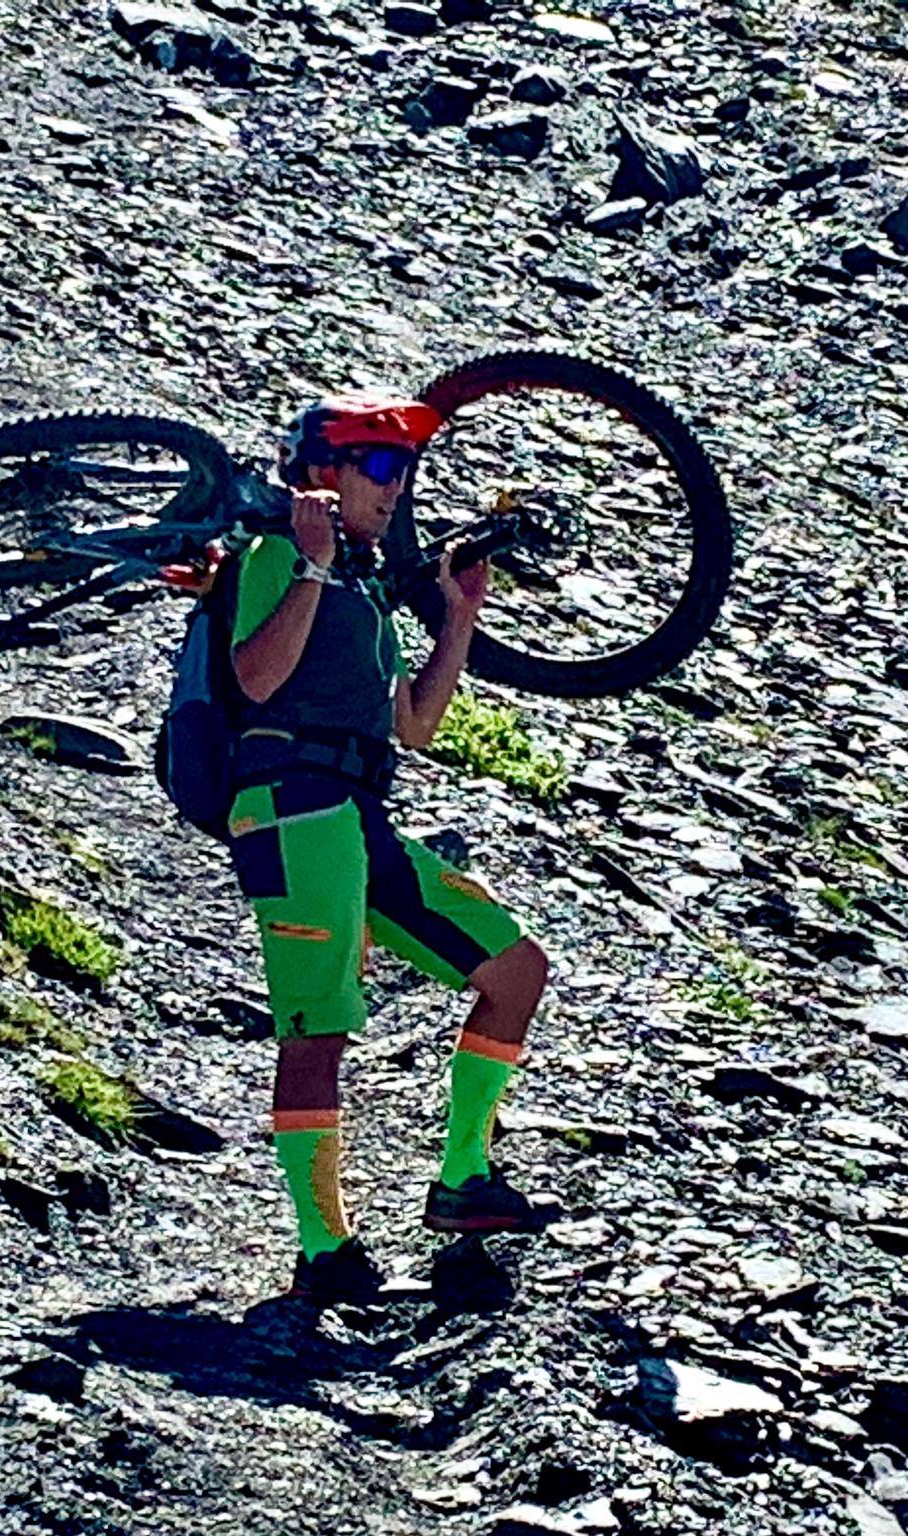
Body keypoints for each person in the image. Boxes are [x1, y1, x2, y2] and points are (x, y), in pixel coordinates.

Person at [225, 390, 553, 1303]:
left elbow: (413, 727)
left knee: (516, 970)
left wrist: (458, 618)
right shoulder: (275, 554)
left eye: (402, 468)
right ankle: (324, 1248)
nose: (394, 484)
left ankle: (462, 1181)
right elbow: (255, 679)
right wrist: (309, 565)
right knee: (317, 1029)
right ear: (320, 471)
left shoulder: (363, 585)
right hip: (291, 808)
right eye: (376, 465)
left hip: (358, 812)